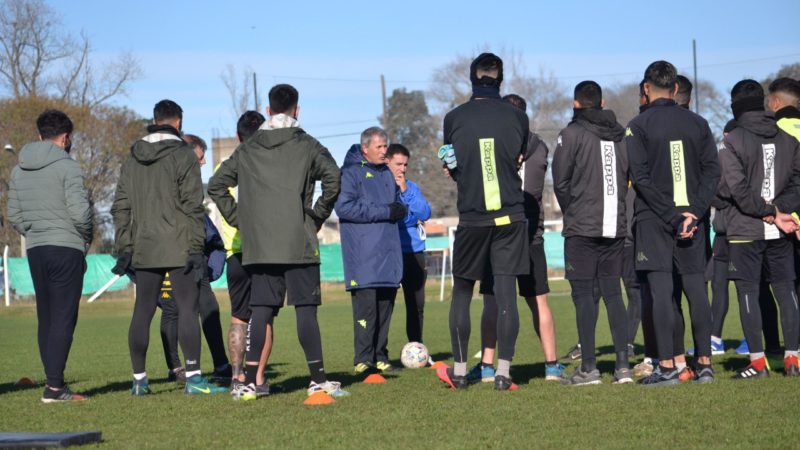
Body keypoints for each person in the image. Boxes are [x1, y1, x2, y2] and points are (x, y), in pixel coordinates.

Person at [209, 84, 348, 400]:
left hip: (261, 246)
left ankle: (246, 382)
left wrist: (242, 220)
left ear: (268, 111)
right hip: (298, 242)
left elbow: (217, 185)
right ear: (297, 110)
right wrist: (315, 216)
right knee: (305, 311)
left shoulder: (248, 148)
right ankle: (318, 379)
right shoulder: (307, 144)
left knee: (260, 311)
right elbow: (333, 178)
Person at [111, 99, 225, 395]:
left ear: (155, 119)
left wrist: (125, 246)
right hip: (179, 246)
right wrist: (196, 248)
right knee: (188, 309)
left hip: (143, 247)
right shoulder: (183, 154)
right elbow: (192, 206)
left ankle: (139, 381)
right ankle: (194, 379)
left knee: (142, 311)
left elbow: (120, 206)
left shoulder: (132, 157)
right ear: (178, 122)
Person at [435, 53, 529, 391]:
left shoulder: (453, 117)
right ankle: (503, 373)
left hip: (473, 218)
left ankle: (459, 373)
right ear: (500, 79)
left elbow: (451, 161)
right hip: (510, 216)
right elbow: (519, 157)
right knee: (506, 294)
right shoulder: (518, 117)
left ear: (471, 79)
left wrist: (459, 172)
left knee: (462, 292)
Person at [626, 61, 720, 386]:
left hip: (655, 220)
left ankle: (667, 366)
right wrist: (693, 211)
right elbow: (713, 172)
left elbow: (640, 178)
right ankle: (704, 365)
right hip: (693, 221)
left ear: (647, 89)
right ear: (676, 89)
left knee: (662, 293)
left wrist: (672, 215)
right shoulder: (699, 123)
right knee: (696, 290)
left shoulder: (638, 126)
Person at [472, 93, 564, 383]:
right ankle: (551, 365)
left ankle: (488, 367)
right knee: (538, 302)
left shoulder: (495, 143)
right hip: (530, 235)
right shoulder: (540, 146)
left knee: (492, 302)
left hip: (499, 234)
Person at [8, 109, 93, 402]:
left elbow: (14, 215)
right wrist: (85, 236)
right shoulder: (68, 167)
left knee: (46, 317)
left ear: (39, 134)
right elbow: (80, 212)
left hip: (36, 249)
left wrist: (34, 231)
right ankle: (54, 389)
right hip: (66, 247)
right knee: (63, 318)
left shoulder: (18, 169)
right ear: (66, 137)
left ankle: (53, 381)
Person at [718, 79, 800, 379]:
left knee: (748, 292)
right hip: (781, 229)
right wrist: (779, 210)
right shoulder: (787, 139)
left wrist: (768, 211)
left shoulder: (732, 140)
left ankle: (757, 363)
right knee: (786, 289)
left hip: (745, 229)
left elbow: (736, 190)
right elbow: (797, 185)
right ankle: (793, 360)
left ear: (735, 106)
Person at [552, 81, 632, 385]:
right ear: (602, 103)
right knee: (614, 294)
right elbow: (629, 176)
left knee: (584, 296)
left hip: (582, 228)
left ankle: (588, 368)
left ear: (576, 105)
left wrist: (574, 211)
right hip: (615, 227)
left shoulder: (570, 134)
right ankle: (622, 367)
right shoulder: (621, 135)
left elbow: (560, 182)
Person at [156, 134, 231, 383]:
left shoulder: (191, 181)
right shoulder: (166, 179)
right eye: (200, 157)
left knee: (208, 305)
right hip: (168, 253)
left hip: (194, 253)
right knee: (171, 309)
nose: (203, 162)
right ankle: (177, 368)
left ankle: (220, 364)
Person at [335, 127, 405, 375]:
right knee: (367, 311)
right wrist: (387, 211)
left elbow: (394, 204)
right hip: (363, 257)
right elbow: (344, 208)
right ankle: (363, 359)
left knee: (385, 308)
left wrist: (400, 207)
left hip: (388, 253)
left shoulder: (387, 173)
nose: (385, 151)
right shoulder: (350, 173)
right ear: (365, 149)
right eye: (380, 147)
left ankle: (380, 355)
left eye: (386, 146)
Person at [218, 110, 276, 397]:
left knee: (239, 317)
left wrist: (237, 217)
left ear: (238, 136)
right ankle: (259, 379)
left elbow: (217, 189)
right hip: (263, 248)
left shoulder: (228, 164)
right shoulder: (269, 163)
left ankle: (237, 377)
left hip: (235, 251)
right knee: (264, 316)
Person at [385, 143, 432, 344]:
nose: (402, 169)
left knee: (416, 305)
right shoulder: (380, 188)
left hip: (414, 253)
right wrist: (410, 218)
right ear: (387, 161)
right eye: (398, 164)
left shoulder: (411, 188)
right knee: (385, 305)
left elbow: (425, 213)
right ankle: (380, 354)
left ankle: (416, 347)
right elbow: (393, 218)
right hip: (389, 253)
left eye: (405, 165)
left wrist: (404, 190)